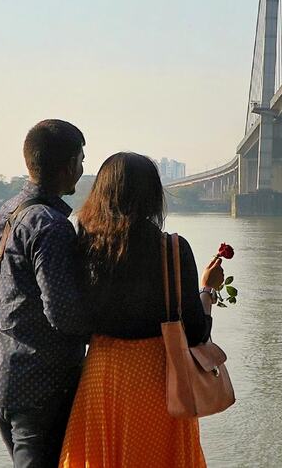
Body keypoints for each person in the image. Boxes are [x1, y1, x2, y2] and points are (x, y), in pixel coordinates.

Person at [59, 153, 224, 468]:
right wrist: (208, 289)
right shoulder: (172, 249)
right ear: (153, 195)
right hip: (158, 379)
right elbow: (196, 332)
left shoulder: (84, 247)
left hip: (101, 374)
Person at [0, 119, 89, 468]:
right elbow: (63, 316)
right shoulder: (50, 225)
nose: (83, 167)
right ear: (67, 167)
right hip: (40, 388)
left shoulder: (7, 211)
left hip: (1, 376)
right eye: (81, 159)